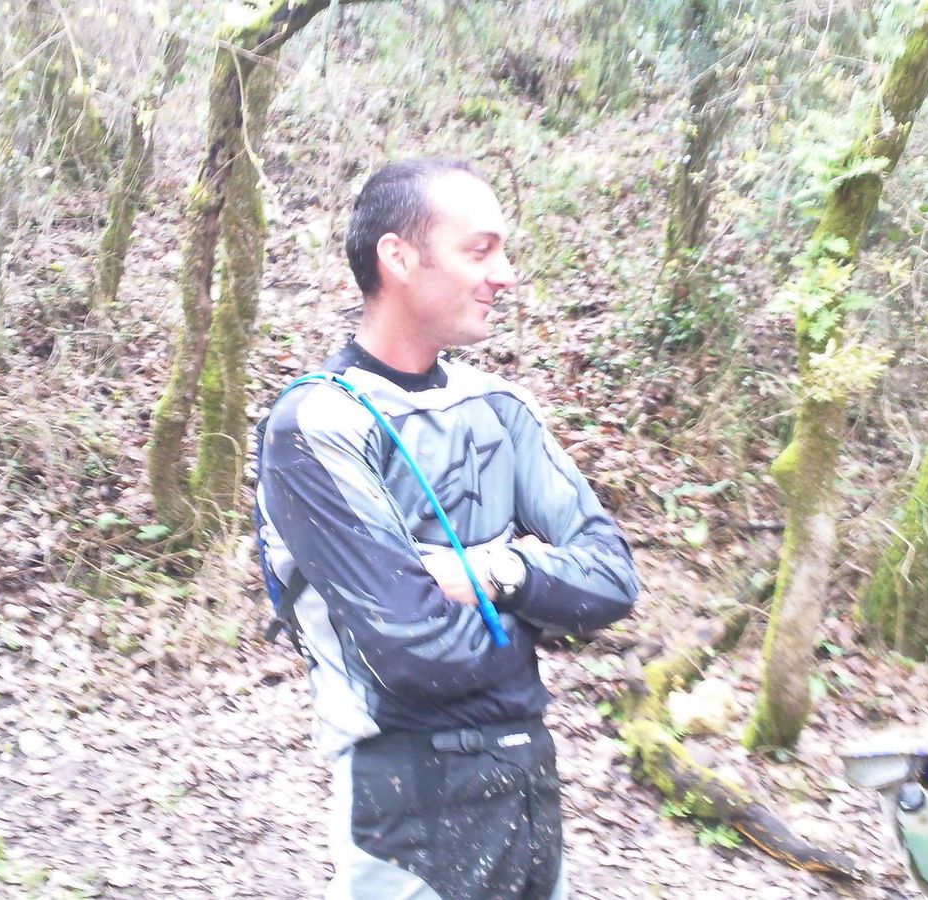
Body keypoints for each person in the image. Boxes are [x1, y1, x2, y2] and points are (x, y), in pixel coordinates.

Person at [256, 158, 640, 899]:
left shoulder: (499, 407)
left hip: (529, 789)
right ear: (398, 258)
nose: (505, 275)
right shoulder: (318, 423)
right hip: (405, 808)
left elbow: (614, 579)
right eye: (480, 250)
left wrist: (497, 574)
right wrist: (540, 613)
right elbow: (414, 654)